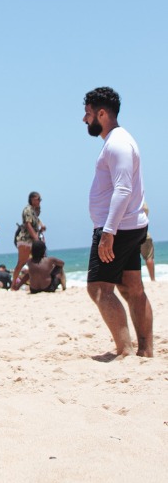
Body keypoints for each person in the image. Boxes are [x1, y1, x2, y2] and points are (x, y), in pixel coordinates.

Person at [83, 87, 152, 358]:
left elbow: (122, 190)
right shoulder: (117, 141)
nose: (85, 120)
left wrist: (108, 232)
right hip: (129, 225)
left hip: (118, 228)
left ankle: (125, 351)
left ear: (102, 113)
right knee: (131, 287)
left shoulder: (117, 143)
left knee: (99, 289)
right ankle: (145, 352)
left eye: (88, 114)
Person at [11, 192, 46, 290]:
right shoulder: (28, 210)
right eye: (37, 199)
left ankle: (19, 285)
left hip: (30, 240)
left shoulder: (33, 211)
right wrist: (36, 239)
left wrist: (40, 228)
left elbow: (35, 221)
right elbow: (28, 224)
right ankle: (14, 285)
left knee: (35, 262)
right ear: (31, 199)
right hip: (25, 240)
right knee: (22, 262)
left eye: (40, 199)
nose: (39, 201)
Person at [141, 203, 156, 282]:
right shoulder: (144, 204)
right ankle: (152, 279)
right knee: (149, 257)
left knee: (132, 259)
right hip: (145, 234)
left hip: (131, 235)